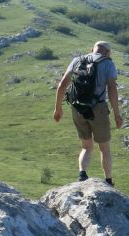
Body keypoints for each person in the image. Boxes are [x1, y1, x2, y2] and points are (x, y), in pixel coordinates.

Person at [53, 40, 124, 186]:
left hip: (77, 107)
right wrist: (117, 114)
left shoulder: (77, 60)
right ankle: (109, 181)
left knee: (86, 146)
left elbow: (62, 85)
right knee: (104, 148)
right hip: (97, 108)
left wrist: (58, 108)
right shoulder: (108, 63)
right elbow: (112, 89)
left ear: (92, 49)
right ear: (107, 52)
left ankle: (82, 175)